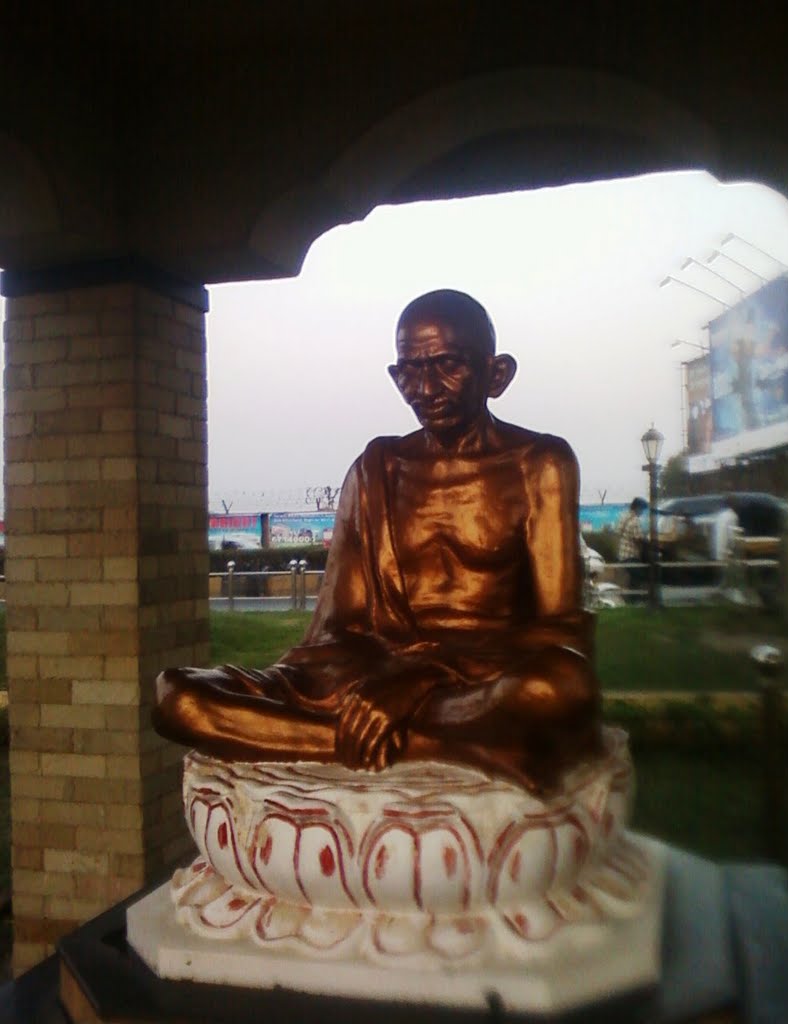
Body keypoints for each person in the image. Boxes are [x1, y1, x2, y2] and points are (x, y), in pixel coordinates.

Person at [154, 290, 600, 793]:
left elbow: (561, 631)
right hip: (368, 676)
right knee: (178, 697)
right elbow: (332, 631)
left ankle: (382, 732)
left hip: (482, 683)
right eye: (408, 371)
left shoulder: (538, 463)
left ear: (497, 374)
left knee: (559, 686)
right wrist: (381, 680)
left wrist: (421, 678)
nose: (425, 388)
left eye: (447, 365)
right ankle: (439, 745)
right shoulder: (377, 469)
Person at [617, 497, 647, 602]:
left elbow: (619, 532)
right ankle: (635, 599)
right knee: (639, 576)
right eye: (642, 509)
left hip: (623, 554)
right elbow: (638, 539)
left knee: (634, 577)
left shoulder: (624, 516)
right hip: (631, 554)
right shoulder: (635, 521)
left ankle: (632, 599)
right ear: (638, 508)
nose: (642, 512)